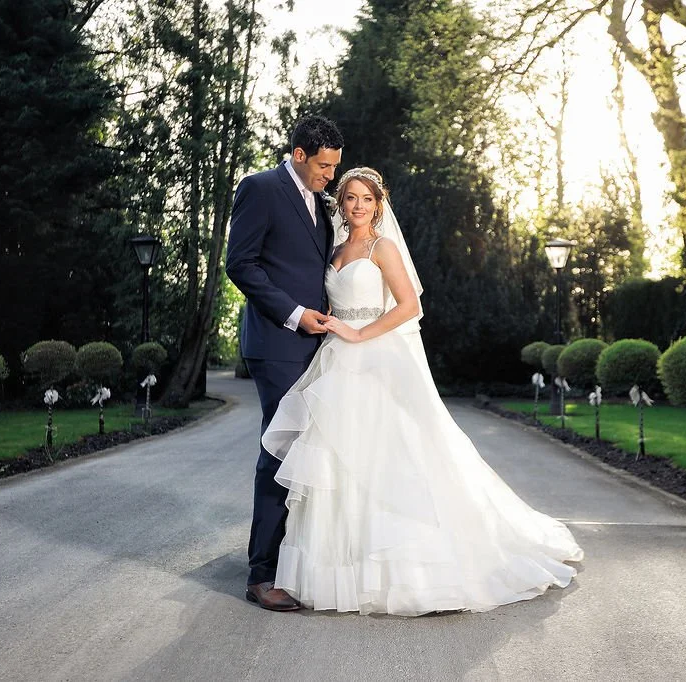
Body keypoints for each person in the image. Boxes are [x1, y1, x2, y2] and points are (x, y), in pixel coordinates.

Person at [262, 167, 584, 616]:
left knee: (387, 457)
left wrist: (358, 334)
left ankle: (407, 572)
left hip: (372, 357)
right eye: (350, 197)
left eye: (367, 199)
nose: (358, 206)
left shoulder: (382, 247)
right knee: (337, 460)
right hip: (335, 360)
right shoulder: (334, 249)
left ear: (379, 204)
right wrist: (335, 329)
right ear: (340, 201)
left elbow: (410, 305)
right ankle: (340, 571)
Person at [225, 115, 343, 612]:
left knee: (312, 450)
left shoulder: (322, 201)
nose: (330, 176)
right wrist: (295, 315)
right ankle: (261, 575)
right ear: (299, 154)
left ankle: (296, 561)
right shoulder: (259, 188)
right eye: (323, 165)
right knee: (281, 449)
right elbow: (240, 263)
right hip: (277, 343)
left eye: (335, 167)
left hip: (318, 347)